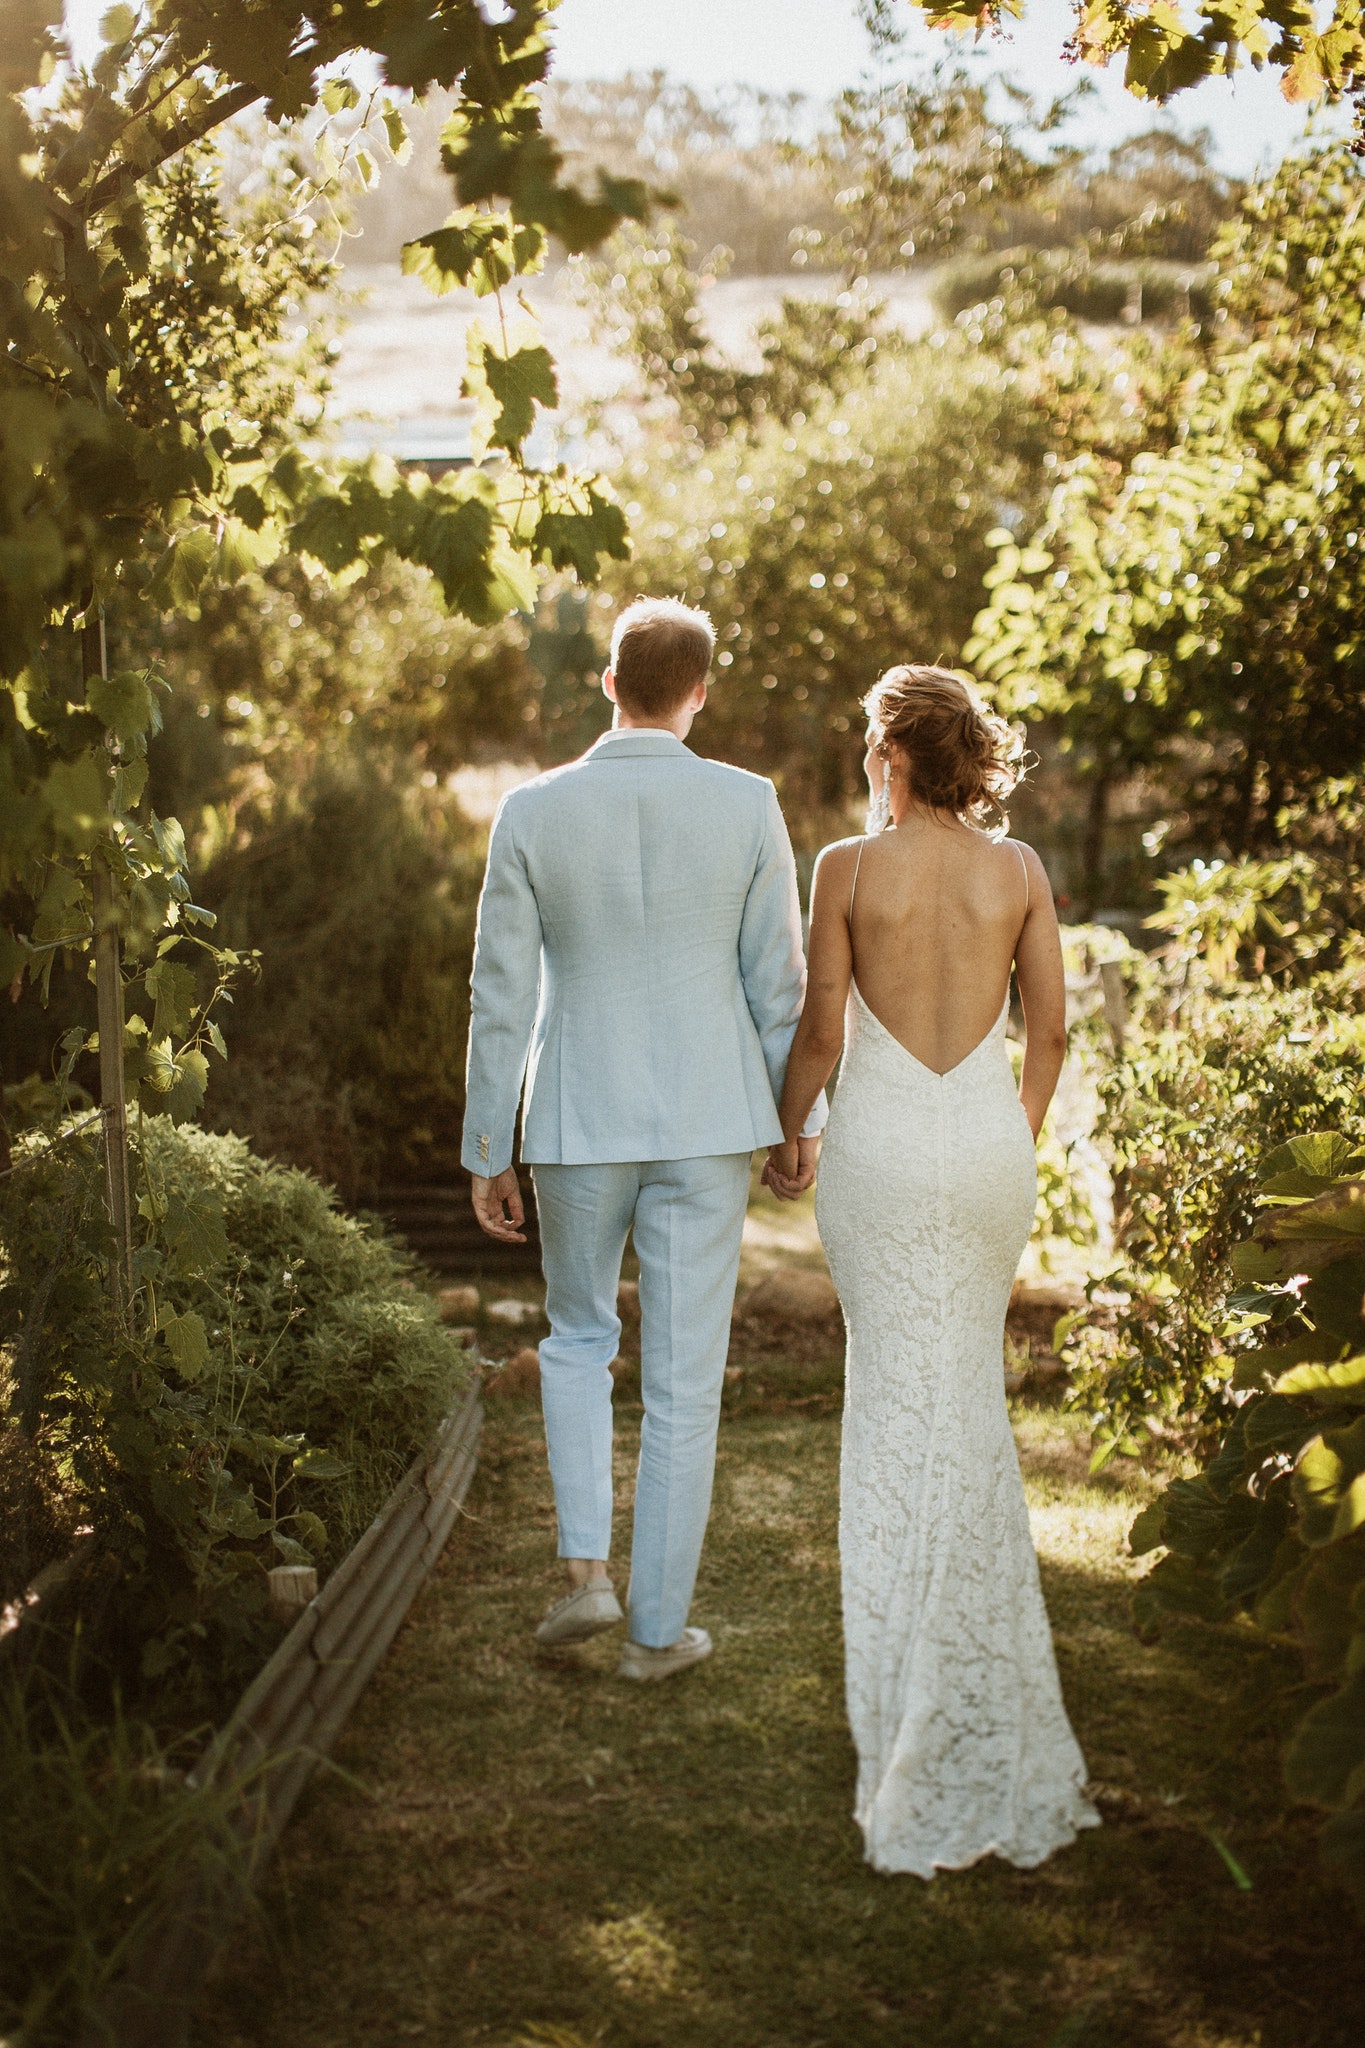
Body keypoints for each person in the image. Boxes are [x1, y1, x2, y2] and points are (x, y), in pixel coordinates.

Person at [765, 664, 1099, 1874]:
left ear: (889, 755)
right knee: (967, 1397)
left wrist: (786, 1129)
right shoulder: (1020, 873)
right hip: (987, 1147)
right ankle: (963, 1662)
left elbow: (821, 1032)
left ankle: (911, 1666)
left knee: (896, 1398)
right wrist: (1012, 1125)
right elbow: (1049, 1031)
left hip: (885, 1151)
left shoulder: (846, 869)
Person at [463, 596, 825, 1680]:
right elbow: (781, 983)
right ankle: (657, 1635)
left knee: (577, 1340)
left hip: (576, 1118)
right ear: (700, 690)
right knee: (682, 1376)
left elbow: (499, 989)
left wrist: (490, 1140)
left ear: (610, 683)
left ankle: (586, 1575)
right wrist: (797, 1120)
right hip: (711, 1121)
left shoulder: (532, 808)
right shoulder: (747, 802)